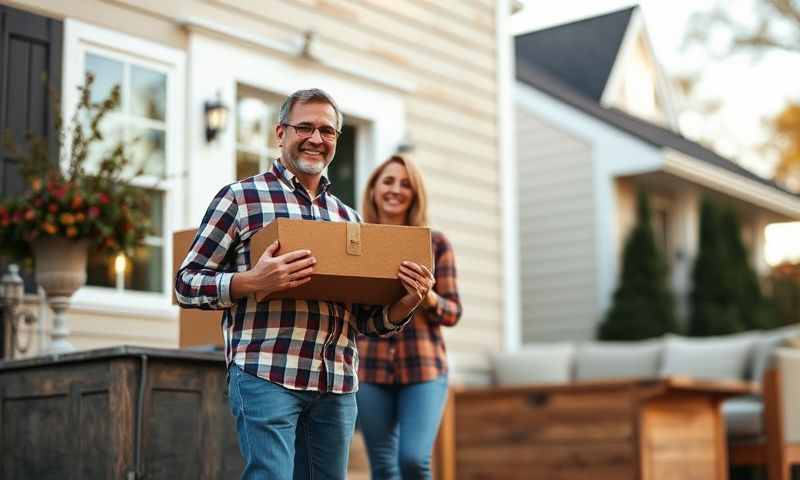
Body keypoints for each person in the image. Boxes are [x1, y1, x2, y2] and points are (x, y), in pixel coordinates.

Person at [175, 89, 435, 480]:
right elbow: (186, 283)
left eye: (327, 131)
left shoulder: (347, 218)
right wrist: (252, 281)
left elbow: (366, 321)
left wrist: (408, 301)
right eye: (305, 127)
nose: (316, 138)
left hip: (336, 383)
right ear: (281, 133)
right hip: (267, 373)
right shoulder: (241, 198)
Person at [356, 155, 462, 480]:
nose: (395, 190)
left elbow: (453, 312)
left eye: (405, 184)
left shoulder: (435, 244)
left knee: (414, 460)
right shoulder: (358, 242)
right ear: (374, 189)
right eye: (388, 181)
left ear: (415, 194)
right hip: (370, 368)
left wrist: (427, 296)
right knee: (384, 467)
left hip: (424, 369)